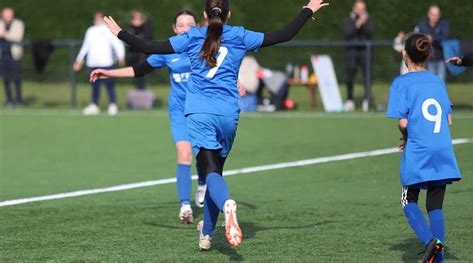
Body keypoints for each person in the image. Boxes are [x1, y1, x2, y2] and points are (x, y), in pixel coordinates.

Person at [102, 0, 329, 250]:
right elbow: (283, 35)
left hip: (199, 112)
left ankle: (227, 204)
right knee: (214, 173)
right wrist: (308, 10)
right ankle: (207, 233)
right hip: (227, 114)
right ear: (228, 14)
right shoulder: (240, 35)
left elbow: (149, 46)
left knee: (211, 173)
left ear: (203, 15)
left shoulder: (192, 36)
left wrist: (120, 32)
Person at [90, 10, 207, 225]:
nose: (185, 29)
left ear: (198, 26)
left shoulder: (206, 48)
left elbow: (225, 67)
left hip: (203, 111)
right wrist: (109, 73)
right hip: (179, 111)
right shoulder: (169, 50)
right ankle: (185, 206)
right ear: (174, 29)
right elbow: (140, 69)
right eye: (180, 25)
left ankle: (202, 183)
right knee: (184, 153)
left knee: (202, 154)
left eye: (190, 24)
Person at [386, 33, 462, 263]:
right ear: (428, 55)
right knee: (435, 204)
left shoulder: (400, 83)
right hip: (443, 149)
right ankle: (438, 259)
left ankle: (431, 242)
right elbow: (448, 120)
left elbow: (403, 122)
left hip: (420, 149)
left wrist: (406, 137)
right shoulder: (437, 82)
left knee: (408, 199)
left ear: (404, 54)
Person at [74, 11, 125, 116]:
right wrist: (79, 60)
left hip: (106, 63)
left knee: (109, 85)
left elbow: (117, 43)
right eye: (95, 18)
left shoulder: (108, 30)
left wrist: (121, 56)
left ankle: (113, 105)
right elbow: (85, 46)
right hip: (92, 63)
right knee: (94, 86)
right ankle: (94, 105)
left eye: (99, 18)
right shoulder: (90, 30)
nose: (96, 20)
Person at [342, 0, 374, 112]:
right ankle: (350, 100)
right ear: (354, 8)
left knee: (367, 77)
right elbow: (347, 34)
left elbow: (370, 33)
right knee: (350, 77)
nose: (361, 11)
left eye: (363, 9)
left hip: (365, 52)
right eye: (358, 9)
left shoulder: (368, 19)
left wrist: (363, 23)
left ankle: (367, 100)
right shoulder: (348, 19)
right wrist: (358, 24)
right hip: (351, 52)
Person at [414, 4, 450, 82]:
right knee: (430, 82)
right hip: (427, 59)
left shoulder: (444, 24)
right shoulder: (422, 25)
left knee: (441, 82)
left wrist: (432, 38)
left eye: (436, 15)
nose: (434, 17)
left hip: (441, 58)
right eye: (433, 15)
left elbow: (444, 36)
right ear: (428, 14)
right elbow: (418, 37)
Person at [0, 7, 24, 107]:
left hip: (14, 55)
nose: (8, 17)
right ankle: (8, 100)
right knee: (5, 79)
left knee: (17, 78)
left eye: (10, 15)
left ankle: (18, 100)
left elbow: (17, 37)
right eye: (6, 15)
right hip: (3, 55)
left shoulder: (18, 24)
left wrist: (4, 34)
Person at [126, 11, 153, 90]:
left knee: (141, 72)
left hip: (142, 54)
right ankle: (138, 87)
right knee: (134, 72)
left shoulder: (146, 27)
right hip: (133, 53)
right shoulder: (130, 28)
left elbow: (146, 40)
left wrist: (135, 39)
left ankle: (141, 88)